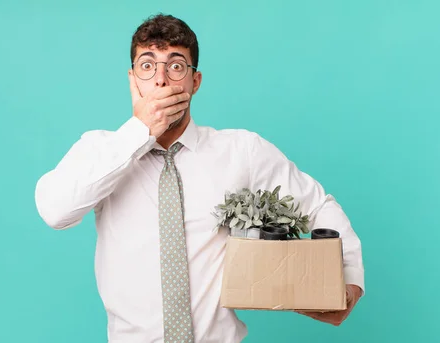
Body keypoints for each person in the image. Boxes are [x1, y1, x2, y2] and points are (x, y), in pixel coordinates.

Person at [34, 13, 365, 343]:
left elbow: (318, 205)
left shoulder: (241, 150)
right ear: (132, 79)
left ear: (195, 81)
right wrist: (139, 133)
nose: (161, 79)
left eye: (176, 66)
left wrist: (348, 281)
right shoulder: (102, 150)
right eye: (147, 66)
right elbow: (55, 210)